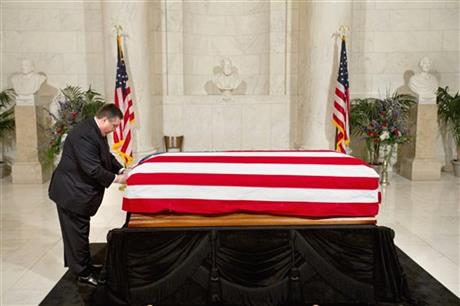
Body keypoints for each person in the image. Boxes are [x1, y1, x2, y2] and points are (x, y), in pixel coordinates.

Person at [49, 103, 129, 287]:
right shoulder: (84, 135)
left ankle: (83, 265)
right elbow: (92, 169)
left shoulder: (96, 131)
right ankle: (83, 274)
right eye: (114, 126)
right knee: (76, 234)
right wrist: (119, 179)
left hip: (78, 191)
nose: (116, 129)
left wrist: (122, 168)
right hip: (71, 193)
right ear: (103, 120)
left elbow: (106, 156)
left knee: (79, 232)